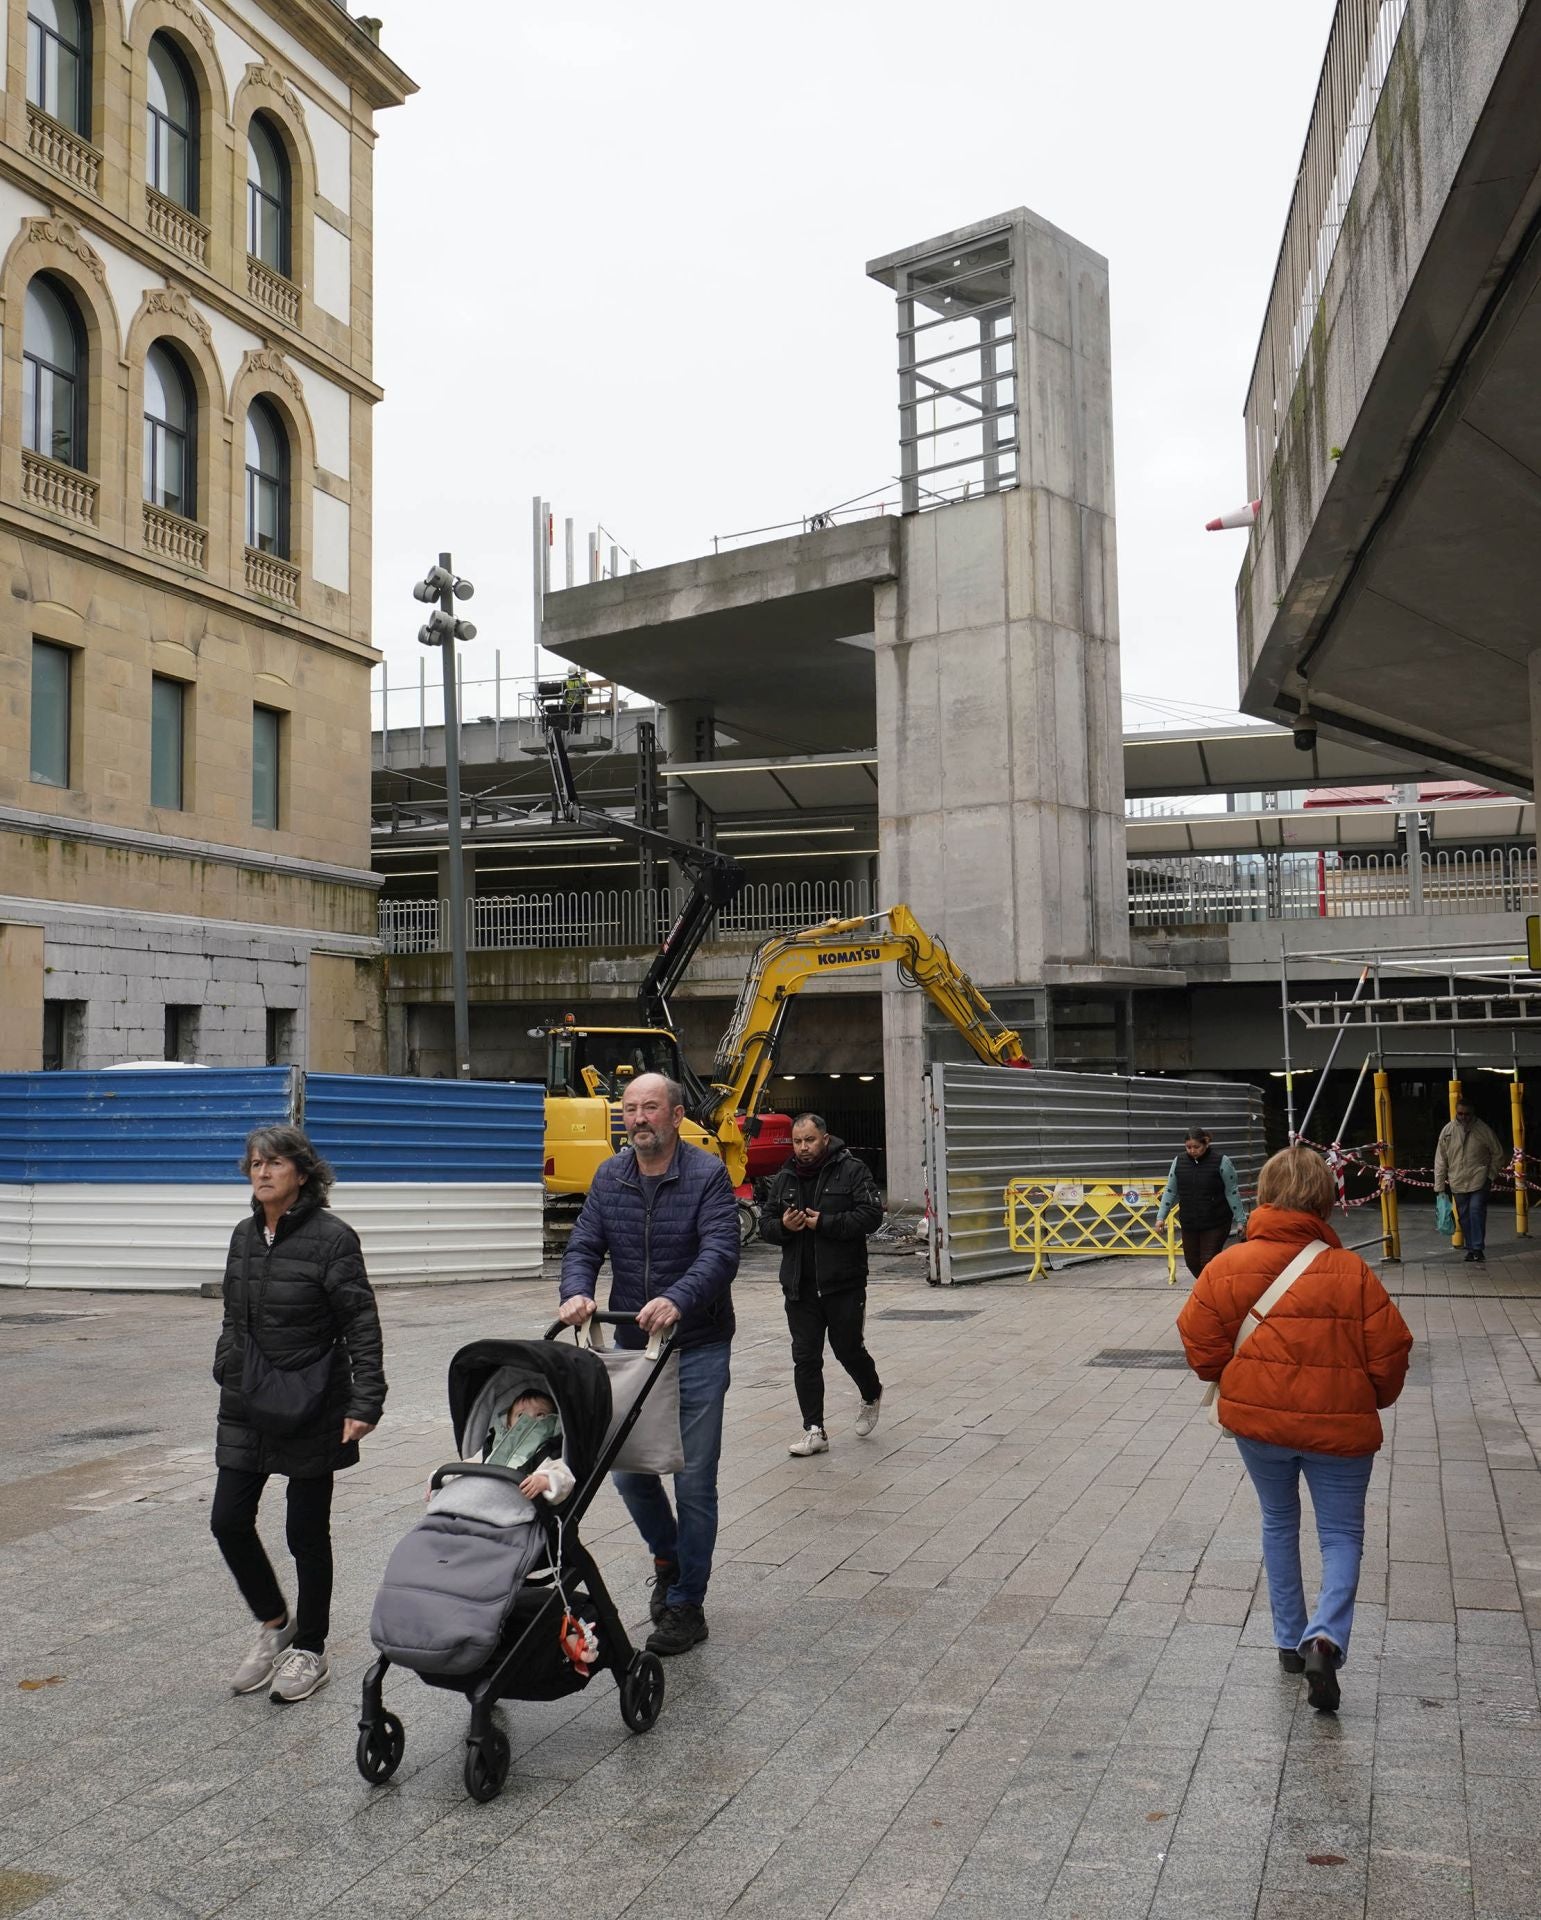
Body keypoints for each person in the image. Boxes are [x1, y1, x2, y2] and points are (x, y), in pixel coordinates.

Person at [1176, 1146, 1411, 1714]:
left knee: (1278, 1521)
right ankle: (1324, 1638)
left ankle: (1287, 1641)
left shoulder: (1226, 1266)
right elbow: (1391, 1353)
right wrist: (1366, 1398)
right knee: (1342, 1535)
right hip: (1340, 1431)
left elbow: (1200, 1346)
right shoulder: (1352, 1273)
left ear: (1263, 1195)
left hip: (1259, 1426)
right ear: (1325, 1201)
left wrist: (1239, 1377)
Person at [558, 1072, 738, 1657]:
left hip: (698, 1345)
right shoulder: (610, 1176)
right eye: (630, 1108)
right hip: (633, 1347)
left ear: (676, 1116)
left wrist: (678, 1298)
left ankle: (687, 1604)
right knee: (628, 1470)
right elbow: (584, 1245)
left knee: (693, 1479)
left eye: (650, 1108)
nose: (637, 1118)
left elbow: (721, 1252)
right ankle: (668, 1557)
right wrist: (576, 1290)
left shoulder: (707, 1174)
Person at [212, 1126, 386, 1704]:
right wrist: (227, 1363)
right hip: (247, 1395)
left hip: (314, 1398)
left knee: (305, 1531)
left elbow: (360, 1322)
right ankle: (274, 1623)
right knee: (228, 1520)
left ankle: (310, 1646)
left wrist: (365, 1400)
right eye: (255, 1164)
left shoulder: (333, 1238)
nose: (262, 1172)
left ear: (303, 1173)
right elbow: (233, 1314)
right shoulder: (244, 1235)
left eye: (275, 1163)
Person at [759, 1113, 884, 1456]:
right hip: (799, 1286)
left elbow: (872, 1216)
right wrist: (784, 1226)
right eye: (797, 1141)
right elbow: (766, 1223)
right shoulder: (784, 1176)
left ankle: (871, 1392)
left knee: (848, 1349)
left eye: (810, 1140)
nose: (803, 1148)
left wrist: (826, 1222)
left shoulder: (852, 1169)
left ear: (825, 1139)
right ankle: (814, 1430)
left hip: (843, 1283)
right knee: (805, 1357)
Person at [1156, 1125, 1247, 1280]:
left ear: (1206, 1142)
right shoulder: (1178, 1162)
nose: (1192, 1151)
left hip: (1216, 1221)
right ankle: (1212, 1286)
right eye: (1188, 1147)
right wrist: (1161, 1217)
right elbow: (1170, 1191)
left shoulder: (1222, 1161)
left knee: (1207, 1262)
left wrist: (1241, 1220)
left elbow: (1231, 1192)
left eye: (1196, 1147)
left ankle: (1210, 1289)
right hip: (1189, 1221)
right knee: (1192, 1262)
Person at [1434, 1098, 1505, 1263]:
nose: (1463, 1117)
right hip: (1457, 1181)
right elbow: (1441, 1159)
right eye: (1460, 1114)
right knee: (1464, 1216)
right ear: (1456, 1112)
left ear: (1473, 1113)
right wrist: (1439, 1187)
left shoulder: (1484, 1130)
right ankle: (1471, 1248)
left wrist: (1490, 1176)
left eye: (1467, 1114)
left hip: (1479, 1180)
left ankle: (1477, 1248)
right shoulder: (1448, 1131)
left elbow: (1498, 1154)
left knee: (1476, 1211)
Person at [483, 1389, 575, 1504]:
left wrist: (545, 1481)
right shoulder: (494, 1445)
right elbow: (473, 1464)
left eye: (540, 1415)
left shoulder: (549, 1451)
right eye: (521, 1415)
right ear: (509, 1424)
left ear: (554, 1422)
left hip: (514, 1504)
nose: (530, 1420)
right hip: (482, 1495)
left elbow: (565, 1478)